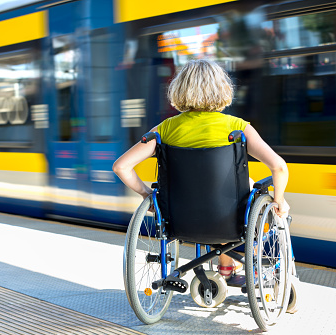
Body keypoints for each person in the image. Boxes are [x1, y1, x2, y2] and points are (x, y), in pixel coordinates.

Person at [113, 59, 289, 279]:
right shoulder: (238, 127)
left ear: (179, 90)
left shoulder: (165, 129)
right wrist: (279, 200)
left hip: (180, 224)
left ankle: (225, 267)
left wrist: (147, 194)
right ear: (222, 89)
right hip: (229, 220)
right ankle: (255, 266)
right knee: (252, 193)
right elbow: (279, 167)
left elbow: (121, 166)